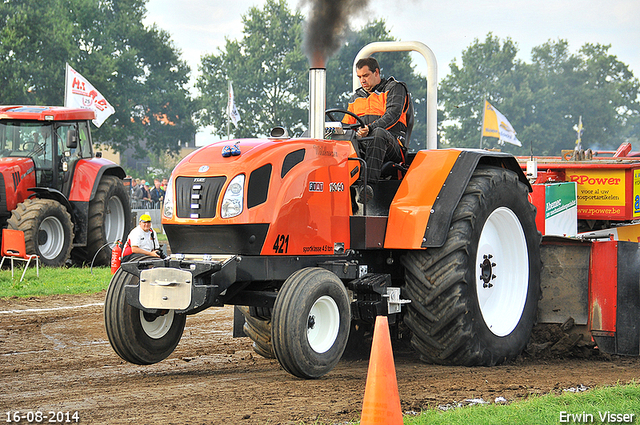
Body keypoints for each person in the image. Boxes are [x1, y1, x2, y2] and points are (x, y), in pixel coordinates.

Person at [343, 57, 410, 202]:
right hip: (364, 144)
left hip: (391, 145)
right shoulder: (356, 97)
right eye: (359, 77)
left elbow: (393, 115)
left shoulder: (395, 88)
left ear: (376, 72)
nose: (362, 80)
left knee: (378, 133)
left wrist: (370, 128)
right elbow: (346, 125)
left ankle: (366, 187)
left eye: (366, 75)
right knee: (341, 141)